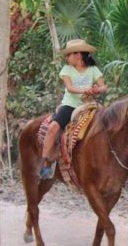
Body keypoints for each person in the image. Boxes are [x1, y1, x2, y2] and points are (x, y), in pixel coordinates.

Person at [39, 38, 107, 180]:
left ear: (78, 55)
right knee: (52, 128)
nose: (66, 57)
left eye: (68, 54)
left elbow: (104, 87)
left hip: (89, 106)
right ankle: (45, 162)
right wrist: (84, 90)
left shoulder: (93, 69)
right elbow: (69, 88)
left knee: (107, 125)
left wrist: (96, 90)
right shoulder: (67, 69)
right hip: (70, 105)